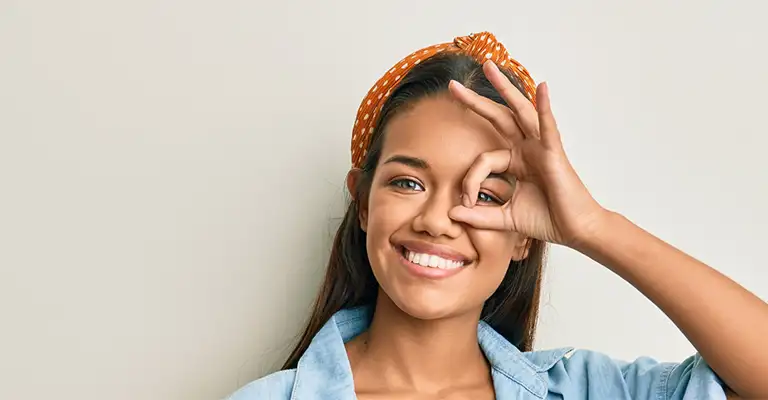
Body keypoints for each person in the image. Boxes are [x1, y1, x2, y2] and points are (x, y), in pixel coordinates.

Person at [227, 31, 768, 399]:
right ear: (364, 203)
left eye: (485, 195)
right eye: (408, 183)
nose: (438, 220)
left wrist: (593, 227)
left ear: (524, 235)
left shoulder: (588, 390)